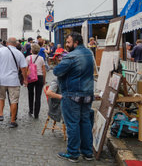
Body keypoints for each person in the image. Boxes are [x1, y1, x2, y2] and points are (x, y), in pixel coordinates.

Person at [53, 32, 94, 162]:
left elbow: (57, 71)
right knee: (85, 122)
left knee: (73, 124)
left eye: (69, 42)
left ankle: (73, 153)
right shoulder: (89, 53)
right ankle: (88, 153)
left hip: (72, 94)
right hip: (87, 93)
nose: (67, 44)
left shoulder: (71, 56)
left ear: (76, 43)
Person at [0, 37, 28, 128]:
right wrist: (25, 80)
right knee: (14, 100)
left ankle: (1, 114)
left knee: (1, 97)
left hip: (2, 79)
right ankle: (12, 121)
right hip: (13, 80)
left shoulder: (0, 50)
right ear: (15, 44)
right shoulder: (19, 53)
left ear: (7, 43)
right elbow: (23, 68)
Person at [27, 43, 47, 119]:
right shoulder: (41, 58)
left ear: (31, 50)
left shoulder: (28, 58)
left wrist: (25, 79)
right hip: (39, 77)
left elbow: (26, 69)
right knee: (38, 96)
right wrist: (44, 79)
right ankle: (36, 114)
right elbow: (44, 70)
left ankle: (31, 110)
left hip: (31, 77)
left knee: (30, 94)